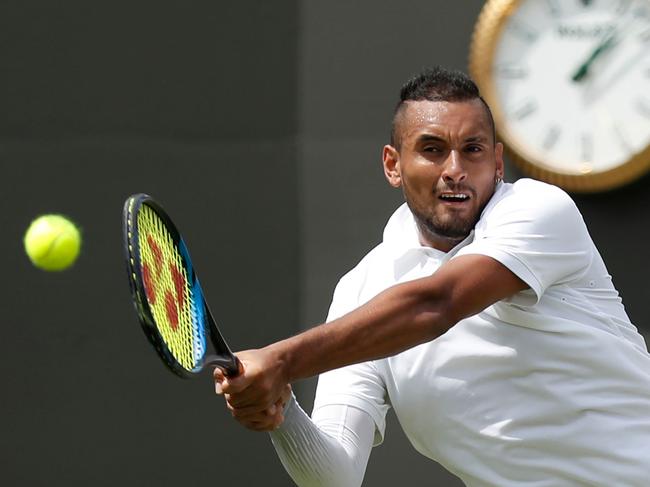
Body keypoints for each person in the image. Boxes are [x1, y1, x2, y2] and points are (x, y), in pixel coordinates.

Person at [213, 67, 650, 486]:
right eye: (433, 149)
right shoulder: (361, 290)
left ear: (498, 162)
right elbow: (334, 476)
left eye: (473, 149)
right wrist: (280, 407)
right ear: (393, 164)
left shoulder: (540, 211)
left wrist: (281, 362)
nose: (455, 168)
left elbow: (437, 304)